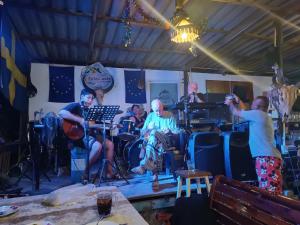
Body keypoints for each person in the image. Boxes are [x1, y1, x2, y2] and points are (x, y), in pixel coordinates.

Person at [225, 95, 282, 195]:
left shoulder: (258, 114)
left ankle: (270, 210)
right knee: (271, 190)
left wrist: (230, 102)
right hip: (269, 157)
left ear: (257, 106)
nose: (251, 104)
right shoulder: (262, 115)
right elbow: (245, 111)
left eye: (253, 103)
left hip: (266, 158)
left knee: (269, 193)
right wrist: (239, 100)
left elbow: (236, 112)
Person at [58, 88, 115, 180]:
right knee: (97, 146)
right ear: (81, 97)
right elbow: (62, 112)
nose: (90, 100)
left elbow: (93, 125)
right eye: (88, 97)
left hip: (90, 135)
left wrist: (110, 126)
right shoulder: (75, 106)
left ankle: (109, 173)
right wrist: (80, 120)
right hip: (78, 137)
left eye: (92, 98)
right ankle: (85, 171)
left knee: (110, 144)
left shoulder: (90, 111)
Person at [131, 99, 179, 187]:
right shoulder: (151, 116)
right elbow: (142, 133)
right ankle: (154, 175)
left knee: (153, 134)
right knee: (152, 141)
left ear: (162, 107)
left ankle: (143, 167)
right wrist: (148, 128)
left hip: (167, 141)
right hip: (155, 144)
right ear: (153, 110)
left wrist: (169, 131)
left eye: (160, 109)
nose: (158, 112)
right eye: (156, 111)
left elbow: (177, 132)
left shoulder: (169, 115)